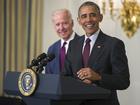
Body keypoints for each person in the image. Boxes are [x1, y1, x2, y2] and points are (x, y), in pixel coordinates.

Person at [63, 1, 130, 105]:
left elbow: (123, 81)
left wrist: (98, 77)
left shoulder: (114, 44)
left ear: (100, 17)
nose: (88, 20)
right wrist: (79, 84)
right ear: (79, 21)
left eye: (93, 15)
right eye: (84, 16)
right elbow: (65, 76)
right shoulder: (73, 44)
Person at [45, 9, 79, 74]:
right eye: (57, 24)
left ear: (72, 23)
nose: (61, 28)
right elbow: (48, 76)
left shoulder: (83, 44)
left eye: (65, 23)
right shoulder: (51, 49)